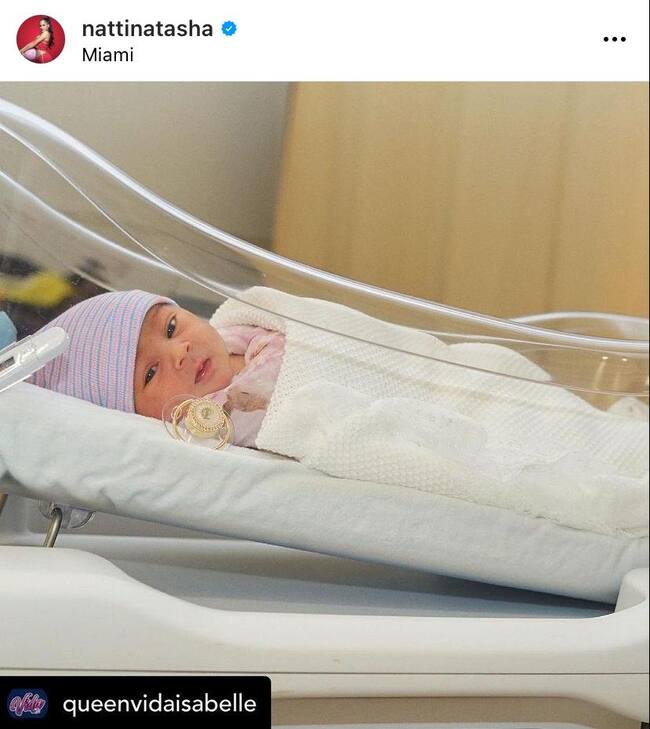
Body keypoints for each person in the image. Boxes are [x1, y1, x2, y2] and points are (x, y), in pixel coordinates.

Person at [28, 290, 285, 448]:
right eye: (150, 374)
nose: (179, 353)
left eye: (171, 328)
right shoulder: (210, 427)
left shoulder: (237, 329)